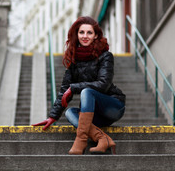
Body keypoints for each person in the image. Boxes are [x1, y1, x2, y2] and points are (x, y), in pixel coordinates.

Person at [33, 16, 126, 155]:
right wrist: (53, 116)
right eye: (81, 32)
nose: (85, 36)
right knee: (70, 113)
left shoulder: (106, 56)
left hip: (112, 106)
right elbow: (64, 90)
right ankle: (102, 138)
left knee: (87, 92)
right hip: (94, 115)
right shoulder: (74, 59)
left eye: (89, 33)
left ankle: (81, 140)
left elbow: (103, 84)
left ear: (95, 36)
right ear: (77, 34)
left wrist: (75, 88)